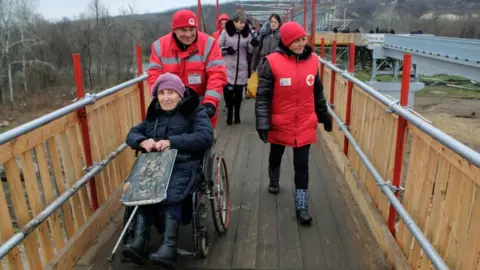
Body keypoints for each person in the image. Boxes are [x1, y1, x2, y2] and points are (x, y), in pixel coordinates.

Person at [123, 73, 214, 267]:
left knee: (170, 193)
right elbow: (132, 134)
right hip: (157, 164)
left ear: (180, 94)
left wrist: (173, 142)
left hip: (184, 162)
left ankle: (169, 248)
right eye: (162, 93)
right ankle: (139, 243)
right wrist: (142, 140)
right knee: (143, 191)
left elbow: (206, 136)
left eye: (171, 92)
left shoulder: (195, 112)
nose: (166, 98)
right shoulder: (154, 114)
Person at [255, 22, 332, 225]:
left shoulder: (313, 61)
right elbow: (262, 96)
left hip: (305, 121)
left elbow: (318, 93)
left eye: (303, 39)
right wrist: (262, 123)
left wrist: (325, 117)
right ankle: (273, 178)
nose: (300, 43)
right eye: (296, 40)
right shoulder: (271, 62)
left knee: (302, 165)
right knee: (276, 153)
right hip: (280, 121)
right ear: (286, 41)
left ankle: (302, 206)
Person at [147, 9, 227, 132]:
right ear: (174, 30)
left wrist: (210, 102)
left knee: (202, 145)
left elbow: (217, 74)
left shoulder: (209, 44)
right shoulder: (159, 46)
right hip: (172, 110)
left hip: (201, 108)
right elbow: (154, 76)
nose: (189, 34)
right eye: (183, 30)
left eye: (192, 29)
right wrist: (159, 100)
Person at [218, 11, 256, 125]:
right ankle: (230, 113)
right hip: (228, 67)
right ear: (234, 22)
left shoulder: (247, 34)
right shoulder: (225, 33)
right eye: (240, 22)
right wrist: (226, 49)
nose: (243, 25)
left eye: (244, 23)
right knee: (228, 92)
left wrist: (254, 45)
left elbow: (250, 51)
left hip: (241, 67)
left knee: (239, 93)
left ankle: (237, 113)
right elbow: (217, 48)